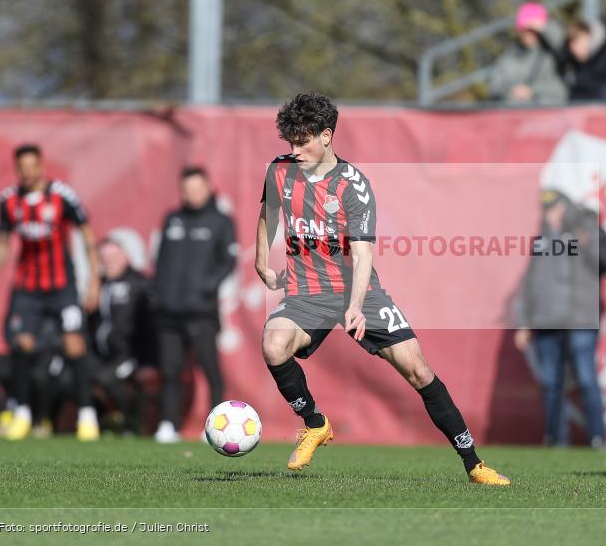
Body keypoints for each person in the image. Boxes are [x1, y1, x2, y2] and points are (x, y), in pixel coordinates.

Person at [257, 92, 509, 485]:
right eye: (290, 142)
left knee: (418, 370)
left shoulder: (353, 186)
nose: (295, 149)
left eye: (303, 141)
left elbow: (361, 256)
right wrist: (261, 260)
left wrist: (356, 306)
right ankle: (315, 424)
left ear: (326, 136)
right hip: (308, 291)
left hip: (359, 291)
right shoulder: (280, 171)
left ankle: (474, 464)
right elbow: (268, 210)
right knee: (273, 345)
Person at [0, 144, 101, 441]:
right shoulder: (9, 200)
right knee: (22, 345)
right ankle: (22, 413)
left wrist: (94, 281)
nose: (26, 172)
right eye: (21, 167)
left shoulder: (63, 195)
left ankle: (87, 415)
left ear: (41, 166)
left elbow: (87, 235)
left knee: (74, 346)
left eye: (31, 166)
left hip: (63, 286)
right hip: (27, 286)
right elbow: (2, 240)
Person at [514, 191, 606, 448]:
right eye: (546, 209)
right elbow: (532, 282)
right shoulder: (543, 237)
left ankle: (597, 439)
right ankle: (554, 439)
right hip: (548, 319)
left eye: (554, 207)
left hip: (580, 319)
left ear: (566, 206)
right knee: (550, 382)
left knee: (586, 379)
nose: (550, 213)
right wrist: (525, 321)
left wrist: (588, 243)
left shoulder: (587, 227)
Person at [153, 166, 237, 443]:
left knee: (210, 369)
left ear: (208, 188)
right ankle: (168, 424)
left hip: (201, 311)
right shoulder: (172, 218)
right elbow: (161, 260)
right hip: (169, 311)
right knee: (170, 369)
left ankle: (213, 426)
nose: (193, 194)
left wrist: (206, 286)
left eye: (197, 188)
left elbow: (228, 261)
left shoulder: (221, 221)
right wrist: (159, 292)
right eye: (187, 189)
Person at [88, 238, 154, 433]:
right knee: (79, 375)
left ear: (126, 257)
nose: (109, 262)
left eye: (113, 257)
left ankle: (130, 423)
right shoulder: (97, 285)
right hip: (102, 353)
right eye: (104, 258)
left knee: (107, 378)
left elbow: (149, 325)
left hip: (129, 354)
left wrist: (148, 359)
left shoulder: (140, 284)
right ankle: (104, 421)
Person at [488, 2, 568, 105]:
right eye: (525, 29)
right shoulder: (510, 56)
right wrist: (513, 91)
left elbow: (560, 39)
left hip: (548, 112)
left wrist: (532, 90)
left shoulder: (551, 53)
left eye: (533, 30)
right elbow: (496, 85)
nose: (528, 34)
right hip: (516, 113)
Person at [562, 20, 606, 101]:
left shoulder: (605, 63)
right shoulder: (569, 66)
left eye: (578, 42)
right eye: (571, 43)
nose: (574, 47)